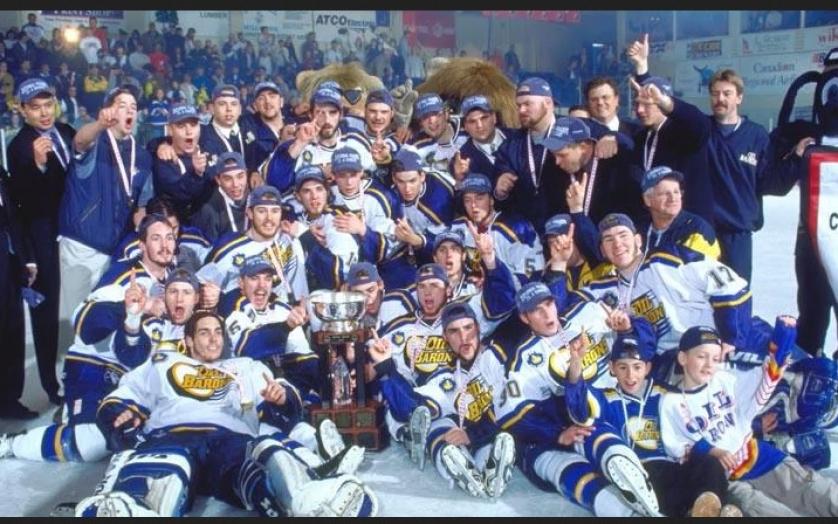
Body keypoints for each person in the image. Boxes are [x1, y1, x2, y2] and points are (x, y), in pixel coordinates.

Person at [73, 310, 378, 517]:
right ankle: (134, 507)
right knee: (167, 469)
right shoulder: (163, 362)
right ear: (188, 340)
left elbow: (286, 397)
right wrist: (120, 415)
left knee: (265, 457)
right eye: (204, 333)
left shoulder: (245, 366)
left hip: (230, 439)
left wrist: (281, 398)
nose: (214, 339)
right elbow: (124, 394)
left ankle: (307, 501)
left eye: (218, 332)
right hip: (174, 435)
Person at [494, 282, 661, 517]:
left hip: (627, 404)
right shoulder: (524, 361)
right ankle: (627, 512)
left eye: (549, 304)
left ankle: (637, 482)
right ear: (524, 317)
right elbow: (510, 415)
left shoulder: (590, 313)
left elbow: (647, 348)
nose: (547, 314)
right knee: (581, 447)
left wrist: (628, 328)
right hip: (587, 420)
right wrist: (557, 433)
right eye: (536, 310)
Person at [661, 322, 838, 517]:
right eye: (701, 356)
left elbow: (760, 391)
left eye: (715, 358)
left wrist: (780, 349)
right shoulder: (671, 402)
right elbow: (679, 450)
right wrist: (712, 451)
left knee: (815, 491)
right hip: (725, 479)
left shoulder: (724, 379)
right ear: (683, 358)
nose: (709, 364)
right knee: (766, 510)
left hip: (759, 457)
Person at [563, 321, 738, 517]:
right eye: (623, 367)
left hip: (675, 468)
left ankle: (708, 510)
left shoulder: (666, 394)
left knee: (710, 463)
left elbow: (699, 419)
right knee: (663, 487)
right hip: (641, 478)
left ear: (647, 368)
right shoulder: (606, 399)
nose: (630, 375)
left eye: (637, 367)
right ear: (612, 368)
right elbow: (579, 407)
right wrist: (576, 363)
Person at [368, 302, 516, 500]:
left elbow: (514, 412)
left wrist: (471, 434)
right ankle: (461, 465)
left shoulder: (497, 358)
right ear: (445, 337)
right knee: (440, 426)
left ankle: (489, 467)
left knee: (497, 440)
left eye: (468, 328)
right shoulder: (448, 376)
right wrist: (386, 365)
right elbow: (413, 410)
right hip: (473, 433)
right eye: (454, 331)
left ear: (478, 329)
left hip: (512, 429)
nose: (464, 338)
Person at [59, 85, 154, 349]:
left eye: (133, 107)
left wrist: (143, 234)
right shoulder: (96, 142)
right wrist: (99, 124)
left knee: (101, 322)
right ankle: (67, 371)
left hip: (114, 252)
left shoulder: (142, 156)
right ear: (109, 110)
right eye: (122, 105)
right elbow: (79, 141)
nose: (129, 111)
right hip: (81, 246)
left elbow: (141, 205)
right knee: (72, 320)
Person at [6, 78, 76, 406]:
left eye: (48, 105)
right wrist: (38, 165)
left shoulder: (65, 131)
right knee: (46, 312)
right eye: (36, 108)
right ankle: (50, 385)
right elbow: (25, 205)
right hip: (43, 235)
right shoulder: (19, 146)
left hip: (73, 230)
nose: (44, 113)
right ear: (23, 110)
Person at [626, 34, 714, 224]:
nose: (639, 110)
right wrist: (642, 67)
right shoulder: (641, 136)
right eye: (637, 104)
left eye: (647, 105)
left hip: (688, 226)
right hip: (653, 223)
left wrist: (664, 101)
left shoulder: (684, 132)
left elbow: (700, 124)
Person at [705, 69, 770, 282]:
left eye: (727, 93)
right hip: (703, 231)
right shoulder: (701, 130)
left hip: (738, 233)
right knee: (700, 295)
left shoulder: (756, 135)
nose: (720, 99)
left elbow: (769, 180)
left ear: (739, 98)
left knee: (737, 294)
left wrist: (796, 157)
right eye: (715, 94)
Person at [219, 255, 317, 394]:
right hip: (247, 387)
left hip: (282, 387)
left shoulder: (283, 310)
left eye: (267, 278)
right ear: (241, 283)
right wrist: (286, 327)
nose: (262, 285)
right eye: (254, 278)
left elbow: (302, 357)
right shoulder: (232, 309)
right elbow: (250, 349)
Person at [205, 185, 308, 305]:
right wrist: (209, 295)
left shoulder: (289, 239)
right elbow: (203, 287)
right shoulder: (228, 249)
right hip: (250, 315)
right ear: (250, 213)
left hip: (296, 312)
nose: (269, 218)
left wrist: (306, 236)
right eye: (262, 211)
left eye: (275, 211)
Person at [263, 86, 374, 194]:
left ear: (341, 115)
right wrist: (300, 144)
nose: (327, 119)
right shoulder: (296, 145)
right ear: (310, 114)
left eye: (332, 112)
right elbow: (276, 184)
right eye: (320, 112)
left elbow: (374, 175)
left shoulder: (356, 141)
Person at [544, 116, 645, 226]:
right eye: (554, 155)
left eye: (562, 155)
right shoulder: (553, 169)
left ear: (583, 147)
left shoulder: (618, 167)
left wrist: (615, 136)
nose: (557, 161)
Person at [450, 173, 543, 286]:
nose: (473, 205)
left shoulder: (515, 228)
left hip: (516, 292)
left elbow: (529, 280)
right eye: (467, 200)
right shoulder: (461, 228)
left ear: (491, 200)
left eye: (479, 198)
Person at [0, 167, 37, 419]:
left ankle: (9, 400)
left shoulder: (2, 175)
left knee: (12, 334)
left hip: (10, 267)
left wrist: (27, 259)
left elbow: (17, 219)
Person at [191, 151, 249, 244]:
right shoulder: (209, 211)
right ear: (218, 180)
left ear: (246, 175)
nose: (236, 184)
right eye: (228, 179)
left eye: (240, 176)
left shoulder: (255, 199)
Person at [451, 96, 510, 186]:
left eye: (484, 118)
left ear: (494, 117)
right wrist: (459, 179)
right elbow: (461, 193)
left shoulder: (518, 138)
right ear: (465, 126)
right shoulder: (461, 161)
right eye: (472, 121)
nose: (479, 125)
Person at [408, 92, 467, 174]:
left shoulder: (468, 126)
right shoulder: (416, 146)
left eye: (436, 114)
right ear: (420, 123)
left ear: (446, 114)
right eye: (425, 117)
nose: (432, 121)